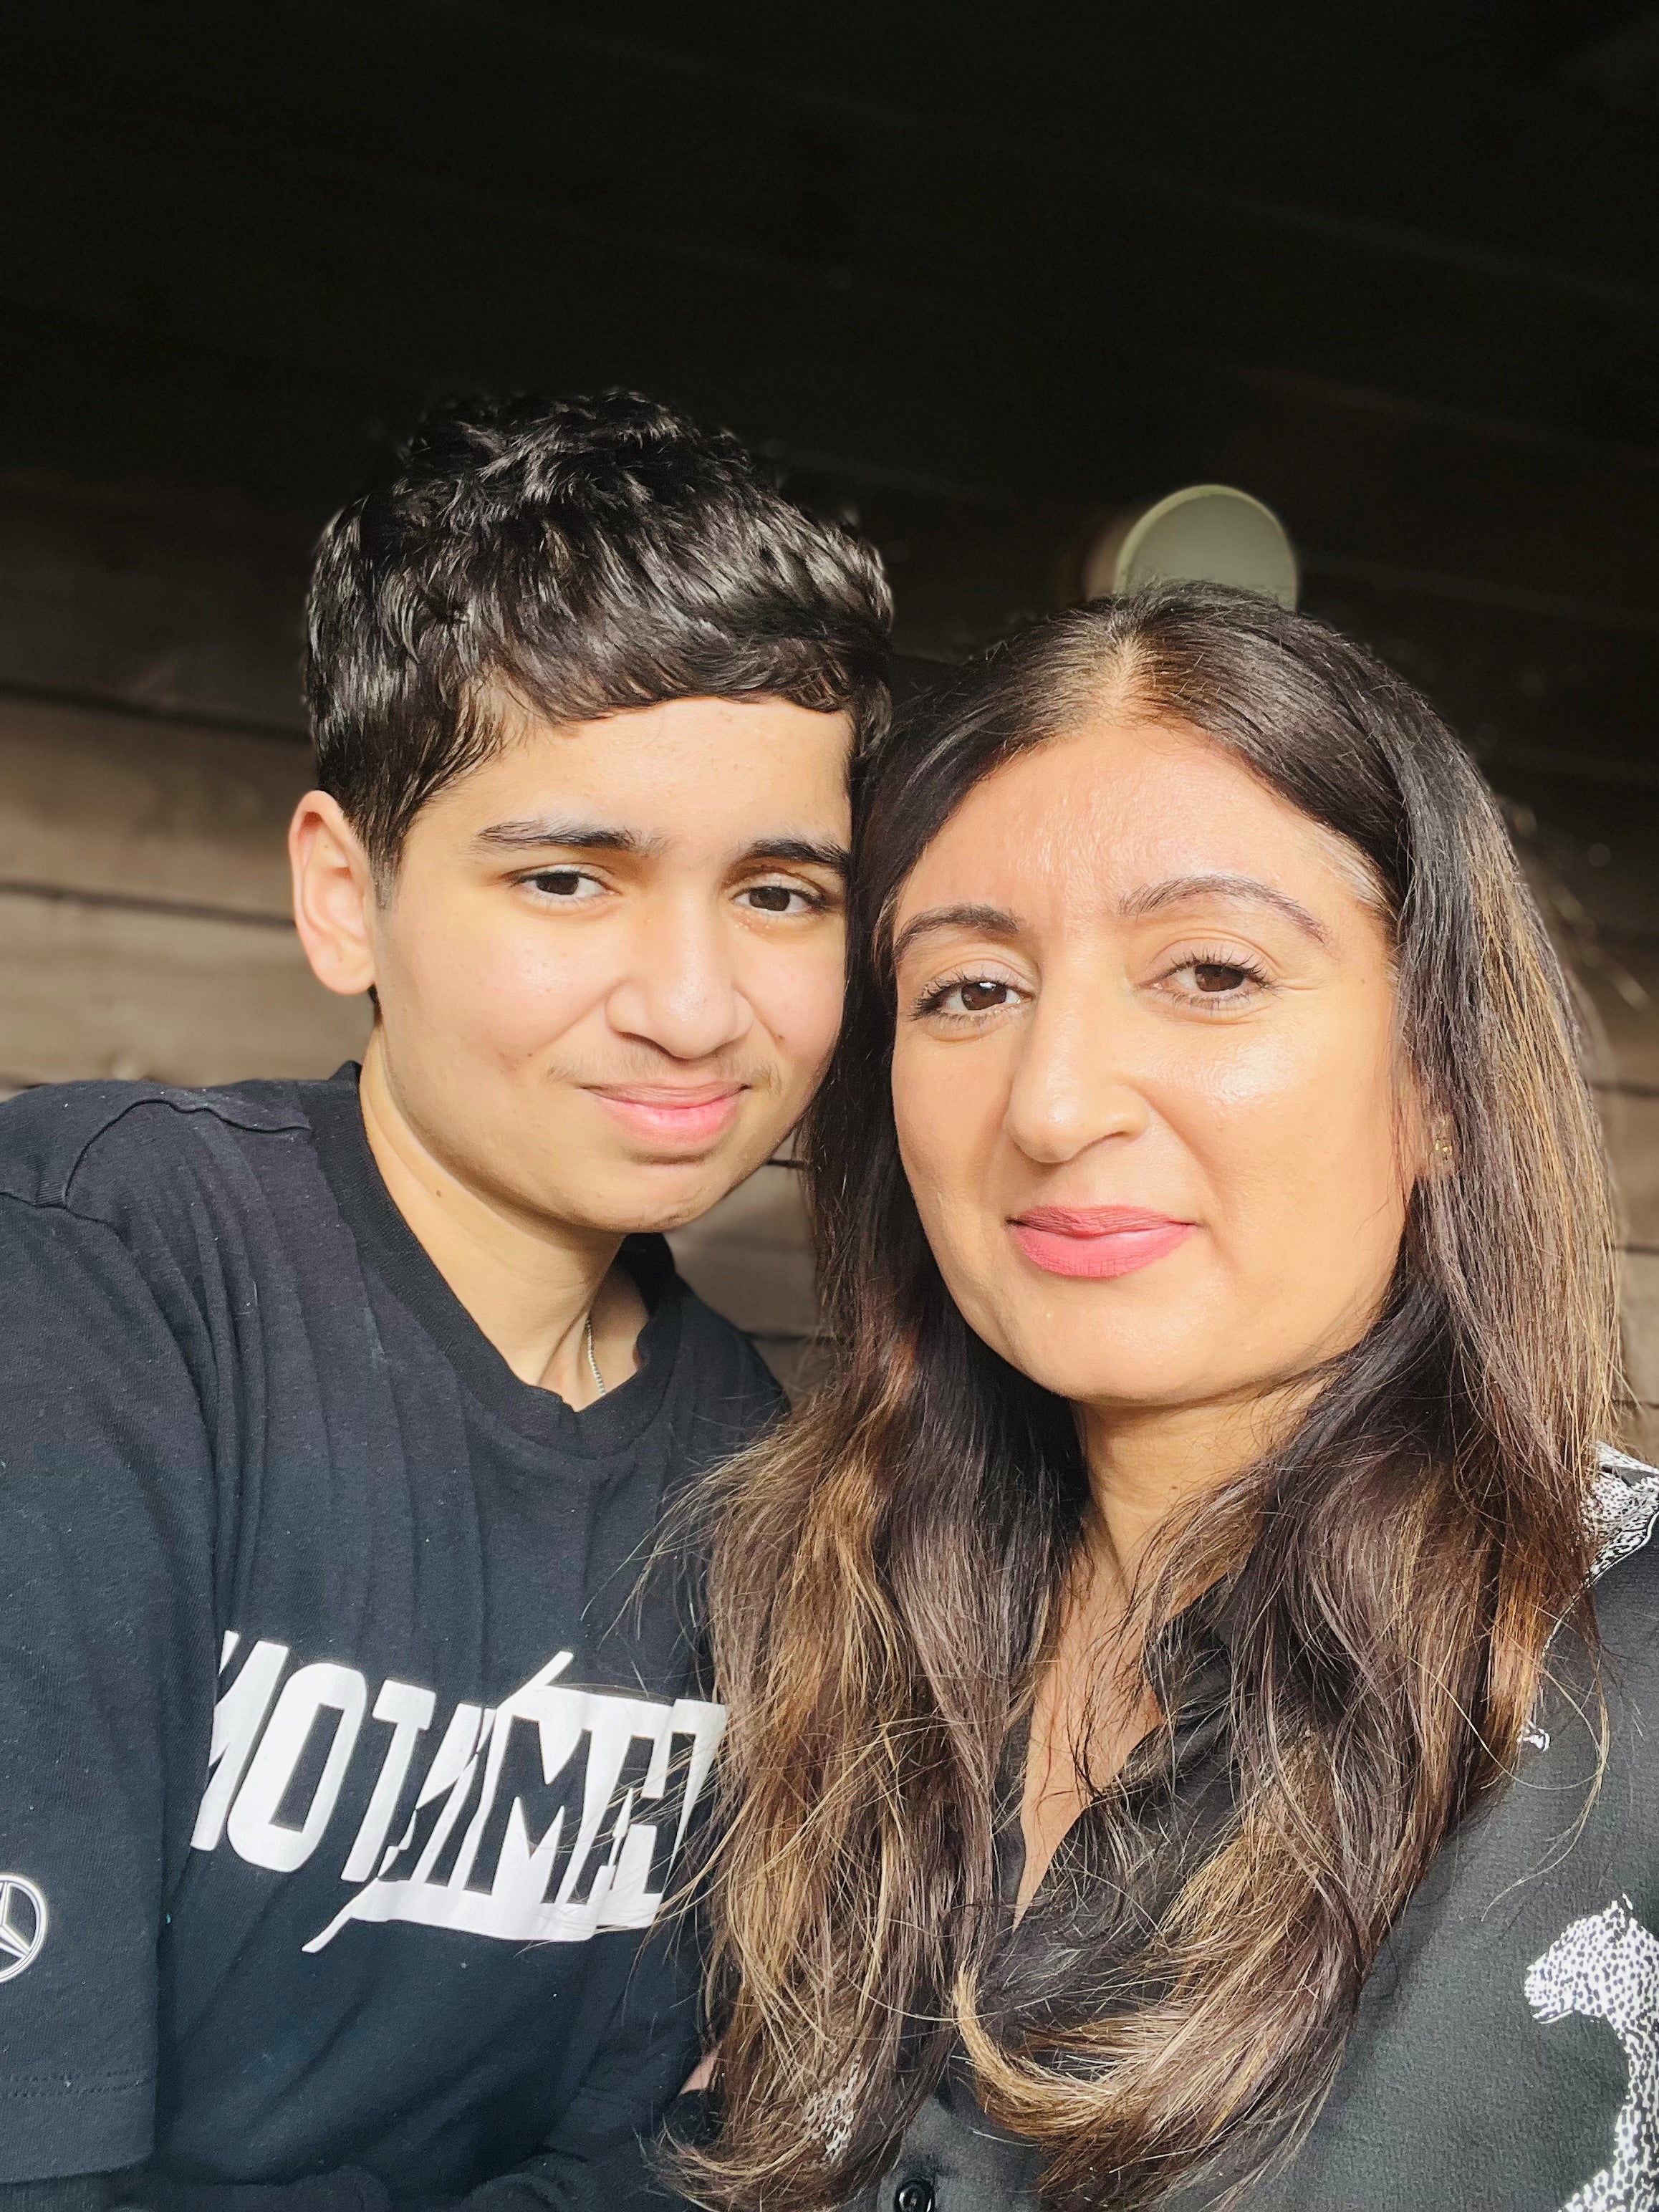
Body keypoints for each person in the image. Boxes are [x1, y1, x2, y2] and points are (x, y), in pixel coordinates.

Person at [0, 392, 890, 2207]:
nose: (696, 1004)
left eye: (783, 891)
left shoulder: (773, 1480)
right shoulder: (98, 1262)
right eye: (569, 876)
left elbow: (689, 2155)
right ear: (349, 894)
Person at [679, 584, 1659, 2212]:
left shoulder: (1627, 1664)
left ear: (1442, 1082)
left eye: (1209, 970)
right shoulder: (806, 1615)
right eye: (968, 991)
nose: (1054, 1102)